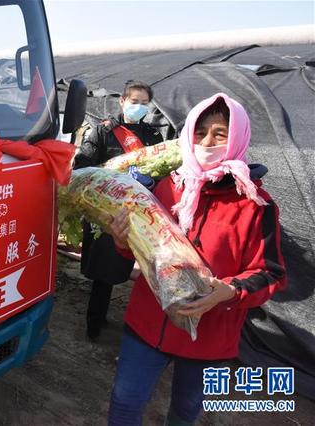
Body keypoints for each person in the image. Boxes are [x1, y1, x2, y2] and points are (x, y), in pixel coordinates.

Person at [107, 93, 287, 425]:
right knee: (124, 403)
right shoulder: (168, 187)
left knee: (184, 411)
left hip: (209, 336)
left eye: (219, 134)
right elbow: (145, 249)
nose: (206, 142)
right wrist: (122, 241)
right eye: (200, 132)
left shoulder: (255, 205)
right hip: (148, 322)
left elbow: (271, 273)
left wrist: (228, 291)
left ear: (237, 138)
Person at [73, 80, 163, 339]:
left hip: (138, 211)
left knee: (128, 267)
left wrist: (151, 181)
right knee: (103, 271)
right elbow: (82, 166)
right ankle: (94, 324)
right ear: (122, 101)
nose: (139, 107)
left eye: (144, 103)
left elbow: (162, 170)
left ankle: (135, 325)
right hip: (107, 210)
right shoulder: (103, 131)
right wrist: (112, 177)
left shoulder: (153, 136)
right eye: (134, 101)